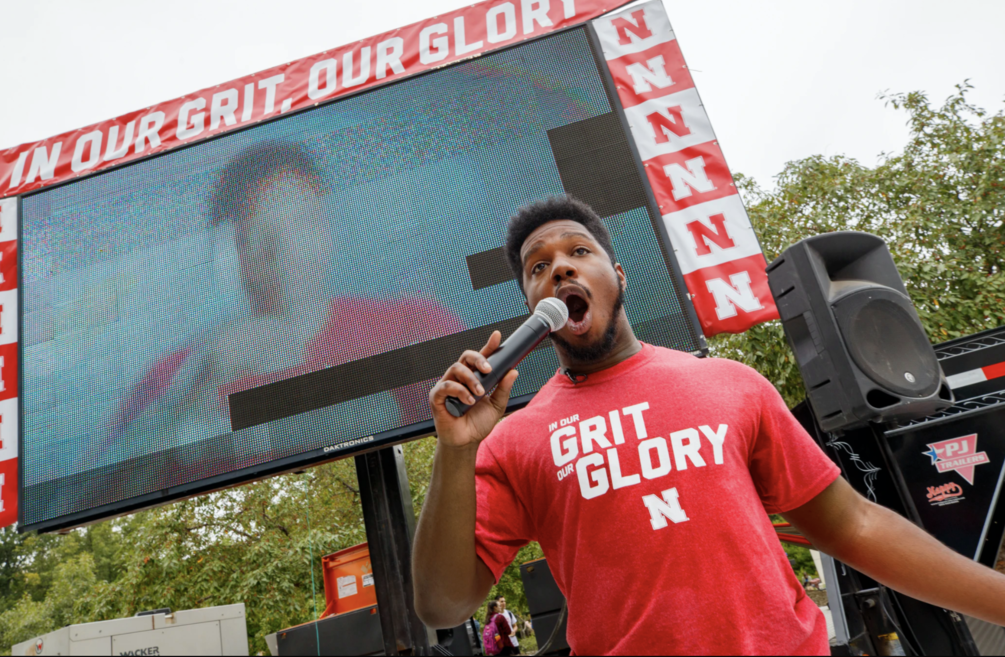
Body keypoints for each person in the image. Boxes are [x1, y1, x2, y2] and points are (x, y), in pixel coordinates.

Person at [411, 195, 1005, 655]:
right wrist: (455, 451)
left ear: (618, 275)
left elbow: (853, 525)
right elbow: (442, 604)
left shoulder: (732, 383)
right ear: (532, 302)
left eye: (578, 252)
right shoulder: (515, 439)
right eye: (539, 267)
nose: (560, 268)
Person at [98, 141, 463, 470]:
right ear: (230, 253)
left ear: (327, 229)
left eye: (301, 222)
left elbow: (484, 436)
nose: (284, 250)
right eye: (260, 233)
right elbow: (88, 499)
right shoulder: (175, 377)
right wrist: (199, 387)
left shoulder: (413, 327)